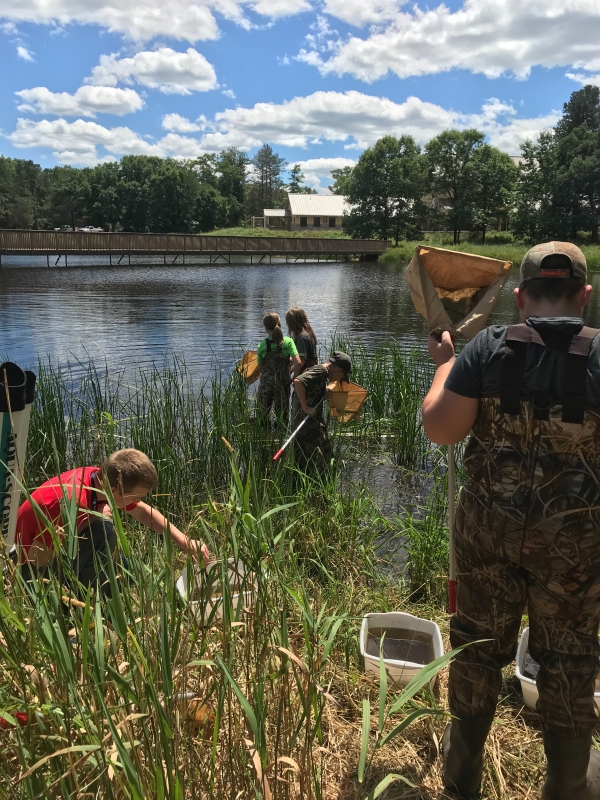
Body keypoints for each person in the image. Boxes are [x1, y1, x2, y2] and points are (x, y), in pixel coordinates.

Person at [422, 241, 600, 800]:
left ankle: (461, 786)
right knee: (570, 663)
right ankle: (568, 788)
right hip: (576, 547)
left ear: (520, 298)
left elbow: (440, 429)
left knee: (476, 651)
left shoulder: (487, 351)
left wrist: (446, 363)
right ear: (585, 296)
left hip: (486, 538)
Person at [14, 448, 210, 596]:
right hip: (34, 575)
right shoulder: (70, 502)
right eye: (135, 497)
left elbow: (143, 512)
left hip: (56, 555)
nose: (136, 502)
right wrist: (92, 518)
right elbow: (35, 559)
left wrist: (185, 542)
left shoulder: (97, 479)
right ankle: (92, 607)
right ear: (115, 488)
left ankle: (104, 592)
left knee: (130, 571)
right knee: (102, 531)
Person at [292, 351, 351, 470]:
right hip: (305, 421)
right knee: (321, 460)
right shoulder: (321, 371)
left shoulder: (321, 372)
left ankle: (300, 483)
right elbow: (298, 382)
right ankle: (322, 482)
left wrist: (323, 395)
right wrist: (306, 408)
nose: (339, 380)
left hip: (307, 420)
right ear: (338, 370)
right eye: (342, 377)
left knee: (305, 460)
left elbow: (309, 390)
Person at [255, 312, 302, 427]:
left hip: (266, 384)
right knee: (282, 418)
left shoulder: (262, 345)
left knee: (263, 417)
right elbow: (298, 362)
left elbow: (260, 368)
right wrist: (294, 377)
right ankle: (280, 438)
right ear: (279, 325)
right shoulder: (288, 342)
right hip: (282, 383)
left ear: (265, 328)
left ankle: (265, 437)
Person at [286, 306, 318, 375]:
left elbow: (301, 362)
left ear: (293, 323)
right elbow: (304, 357)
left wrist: (289, 371)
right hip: (311, 373)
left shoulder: (302, 338)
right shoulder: (308, 333)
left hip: (306, 375)